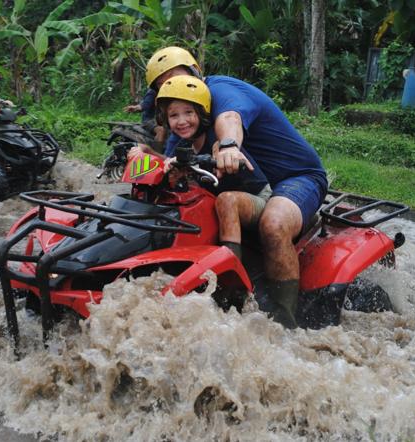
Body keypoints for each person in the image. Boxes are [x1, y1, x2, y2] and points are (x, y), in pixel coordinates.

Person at [138, 46, 328, 329]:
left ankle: (285, 320)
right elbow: (172, 163)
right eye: (165, 85)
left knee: (274, 224)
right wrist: (144, 158)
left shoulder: (222, 92)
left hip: (294, 178)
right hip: (248, 185)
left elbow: (230, 119)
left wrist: (228, 146)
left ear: (195, 74)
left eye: (178, 78)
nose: (176, 87)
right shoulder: (184, 124)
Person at [152, 75, 272, 260]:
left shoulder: (217, 139)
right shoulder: (182, 146)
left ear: (201, 113)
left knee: (227, 200)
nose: (181, 121)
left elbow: (223, 146)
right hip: (218, 200)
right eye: (174, 115)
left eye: (188, 112)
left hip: (258, 198)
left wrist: (226, 152)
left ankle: (231, 268)